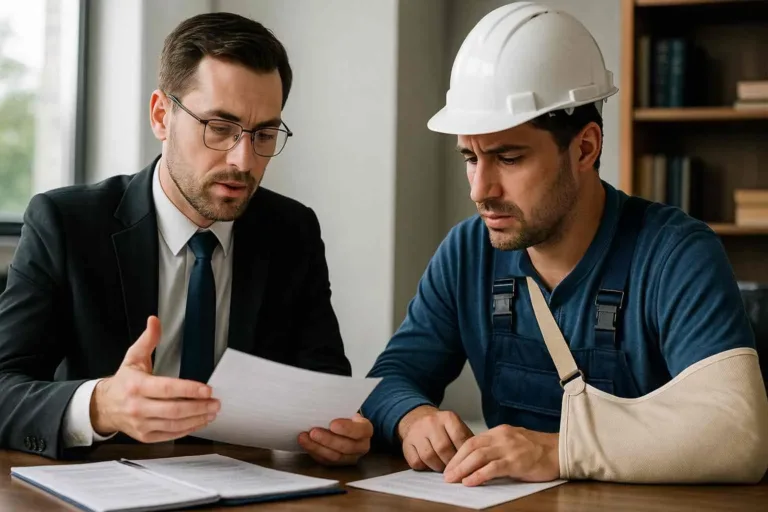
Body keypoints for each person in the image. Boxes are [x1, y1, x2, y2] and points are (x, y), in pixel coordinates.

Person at [361, 2, 768, 485]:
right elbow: (390, 378)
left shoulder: (677, 255)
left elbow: (738, 434)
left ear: (585, 148)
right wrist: (413, 417)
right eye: (470, 157)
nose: (479, 190)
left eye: (508, 158)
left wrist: (560, 451)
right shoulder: (468, 252)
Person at [0, 12, 372, 465]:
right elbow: (4, 385)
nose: (244, 160)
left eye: (265, 134)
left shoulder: (291, 231)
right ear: (161, 115)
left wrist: (339, 433)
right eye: (220, 128)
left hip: (250, 485)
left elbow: (325, 383)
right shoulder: (66, 223)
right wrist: (100, 405)